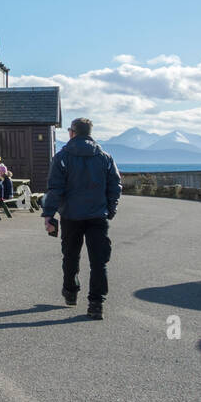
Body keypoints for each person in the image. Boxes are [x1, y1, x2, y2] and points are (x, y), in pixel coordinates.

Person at [42, 117, 121, 320]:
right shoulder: (105, 157)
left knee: (70, 256)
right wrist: (110, 209)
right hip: (97, 216)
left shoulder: (62, 157)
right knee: (99, 261)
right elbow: (115, 186)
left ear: (72, 133)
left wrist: (49, 215)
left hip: (71, 215)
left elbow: (55, 188)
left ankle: (70, 292)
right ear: (90, 133)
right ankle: (96, 304)